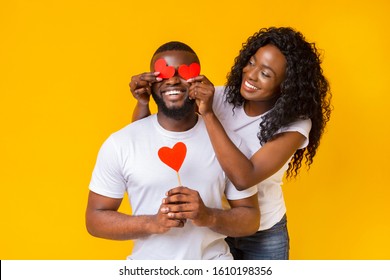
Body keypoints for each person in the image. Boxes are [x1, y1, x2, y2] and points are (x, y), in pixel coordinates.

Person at [131, 27, 332, 260]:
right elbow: (147, 138)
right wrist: (144, 102)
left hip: (263, 233)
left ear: (286, 85)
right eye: (252, 62)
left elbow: (244, 177)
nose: (251, 75)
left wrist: (208, 114)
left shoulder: (295, 125)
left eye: (266, 74)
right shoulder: (220, 97)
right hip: (211, 225)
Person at [86, 41, 260, 260]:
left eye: (185, 73)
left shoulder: (228, 145)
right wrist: (153, 223)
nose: (174, 79)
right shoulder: (120, 143)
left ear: (199, 81)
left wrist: (208, 216)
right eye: (164, 73)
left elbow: (251, 219)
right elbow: (95, 219)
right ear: (151, 83)